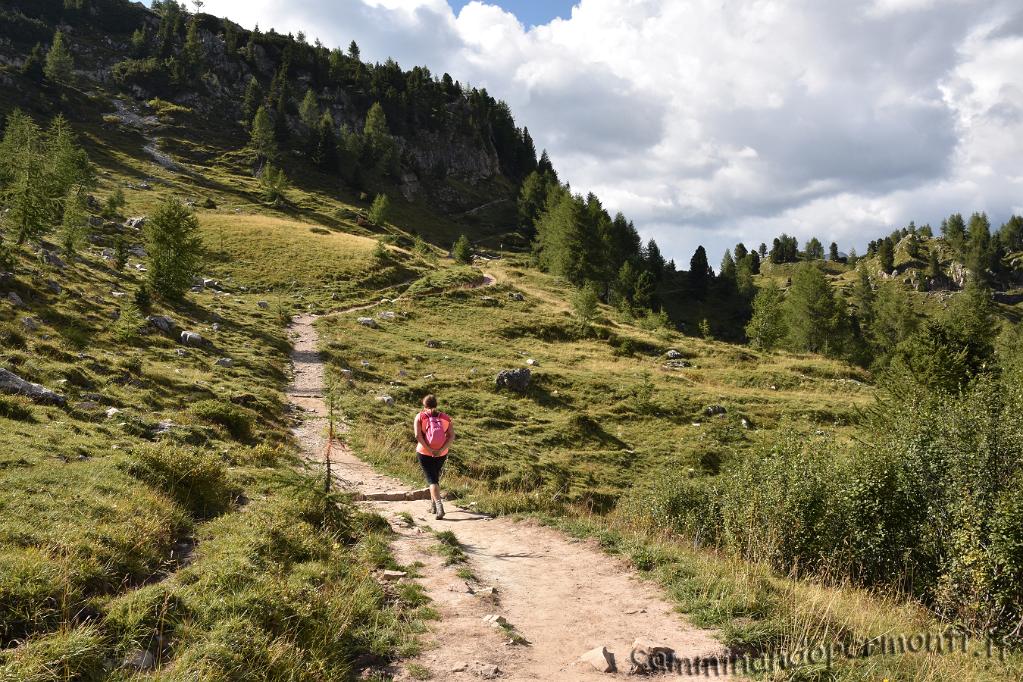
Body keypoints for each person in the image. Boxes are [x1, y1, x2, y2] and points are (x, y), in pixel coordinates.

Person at [414, 394, 454, 519]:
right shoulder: (446, 418)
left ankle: (439, 506)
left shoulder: (420, 416)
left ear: (424, 405)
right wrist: (441, 449)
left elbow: (417, 435)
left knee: (432, 480)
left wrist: (429, 449)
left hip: (424, 452)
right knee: (435, 477)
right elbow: (452, 436)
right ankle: (433, 506)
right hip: (441, 453)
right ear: (436, 404)